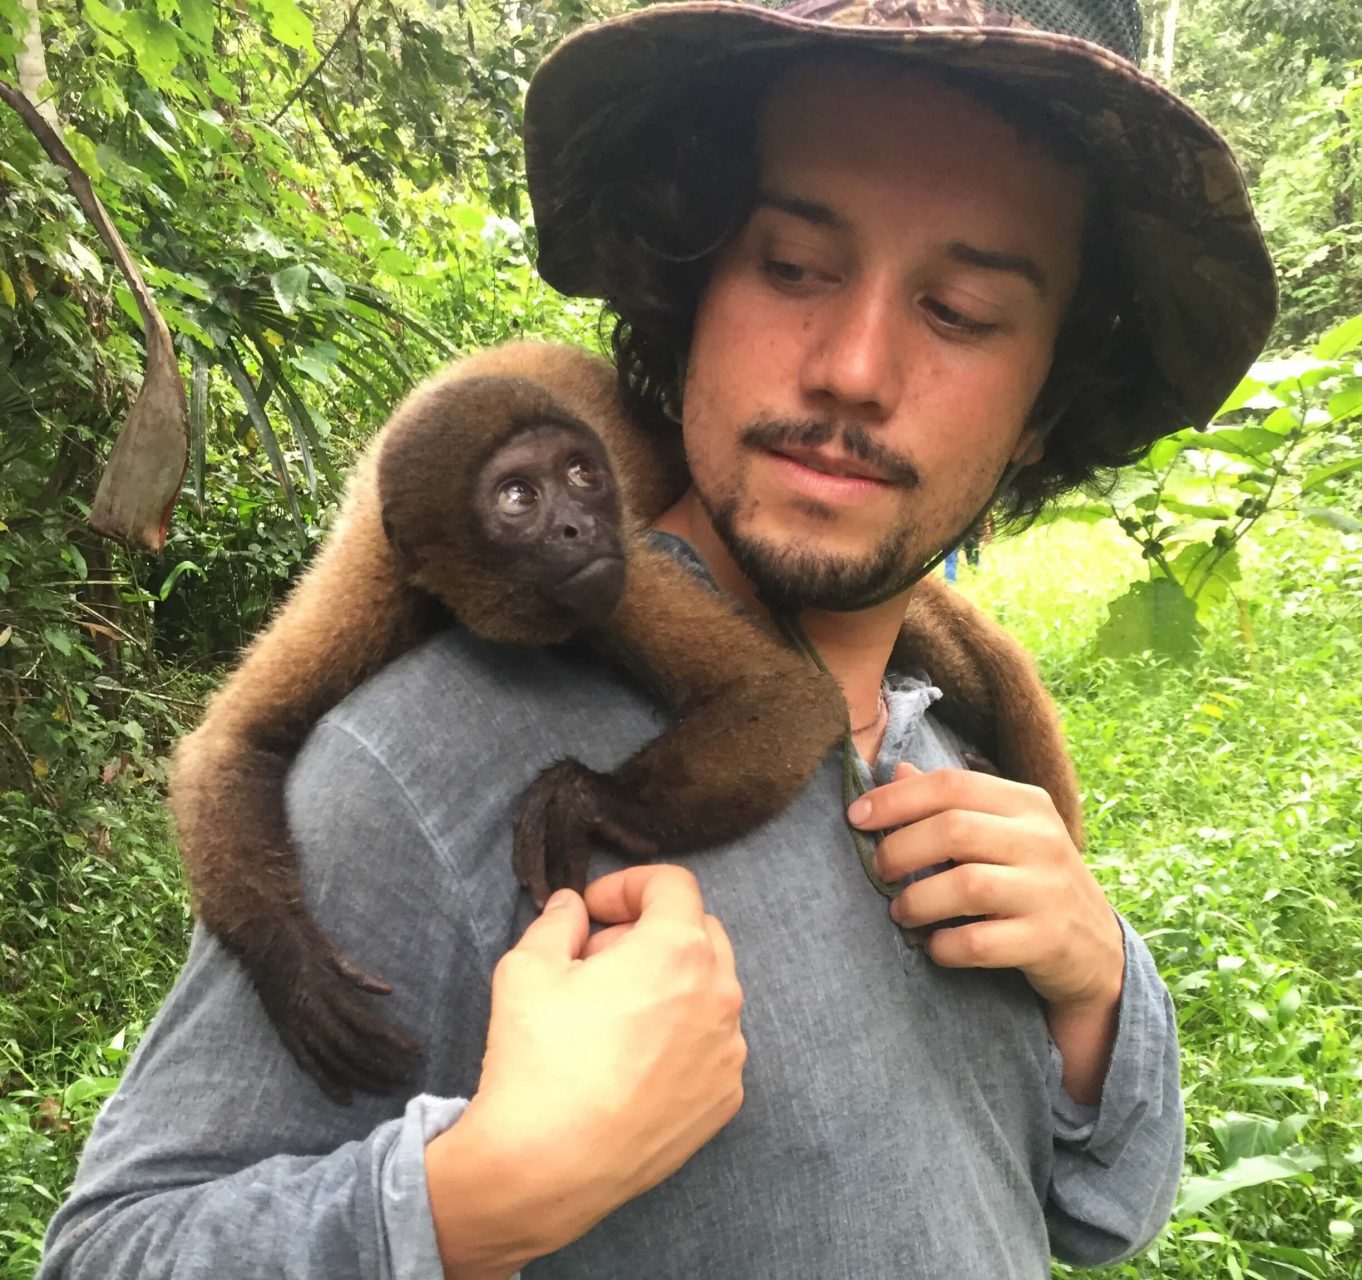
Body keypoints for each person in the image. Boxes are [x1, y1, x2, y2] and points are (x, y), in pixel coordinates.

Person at [38, 2, 1276, 1278]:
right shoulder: (421, 762)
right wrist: (471, 1196)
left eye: (959, 309)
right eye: (792, 266)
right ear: (691, 293)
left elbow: (1101, 1208)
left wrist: (1097, 993)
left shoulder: (955, 743)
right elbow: (112, 1249)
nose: (854, 366)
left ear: (1039, 410)